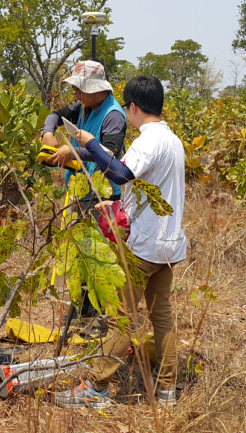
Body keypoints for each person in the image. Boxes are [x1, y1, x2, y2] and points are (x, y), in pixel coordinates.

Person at [54, 76, 187, 408]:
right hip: (169, 245)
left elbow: (121, 174)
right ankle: (167, 389)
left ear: (133, 107)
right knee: (161, 315)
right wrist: (116, 206)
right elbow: (147, 187)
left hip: (145, 248)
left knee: (121, 317)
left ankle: (96, 389)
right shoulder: (173, 140)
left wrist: (89, 142)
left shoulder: (148, 140)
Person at [43, 60, 127, 321]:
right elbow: (55, 115)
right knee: (80, 257)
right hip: (80, 193)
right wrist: (48, 133)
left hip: (101, 196)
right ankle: (82, 314)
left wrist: (74, 151)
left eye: (80, 89)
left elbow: (110, 153)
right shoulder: (83, 106)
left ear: (96, 89)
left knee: (96, 259)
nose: (75, 95)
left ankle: (95, 318)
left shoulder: (113, 116)